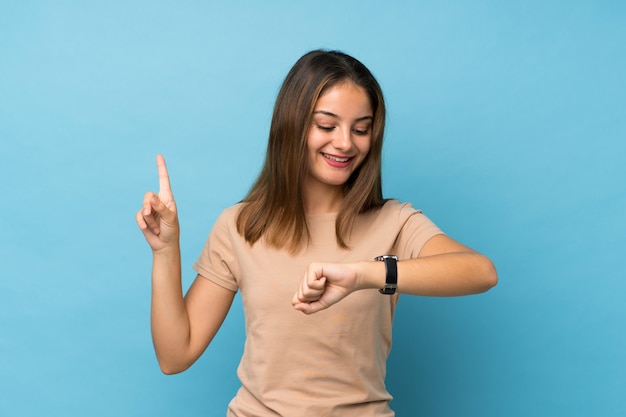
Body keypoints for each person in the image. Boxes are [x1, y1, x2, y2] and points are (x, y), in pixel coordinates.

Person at [136, 49, 497, 416]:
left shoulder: (394, 221)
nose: (345, 143)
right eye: (326, 126)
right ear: (292, 125)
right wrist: (166, 251)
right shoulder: (241, 225)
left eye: (361, 129)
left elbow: (480, 272)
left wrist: (364, 274)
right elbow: (174, 355)